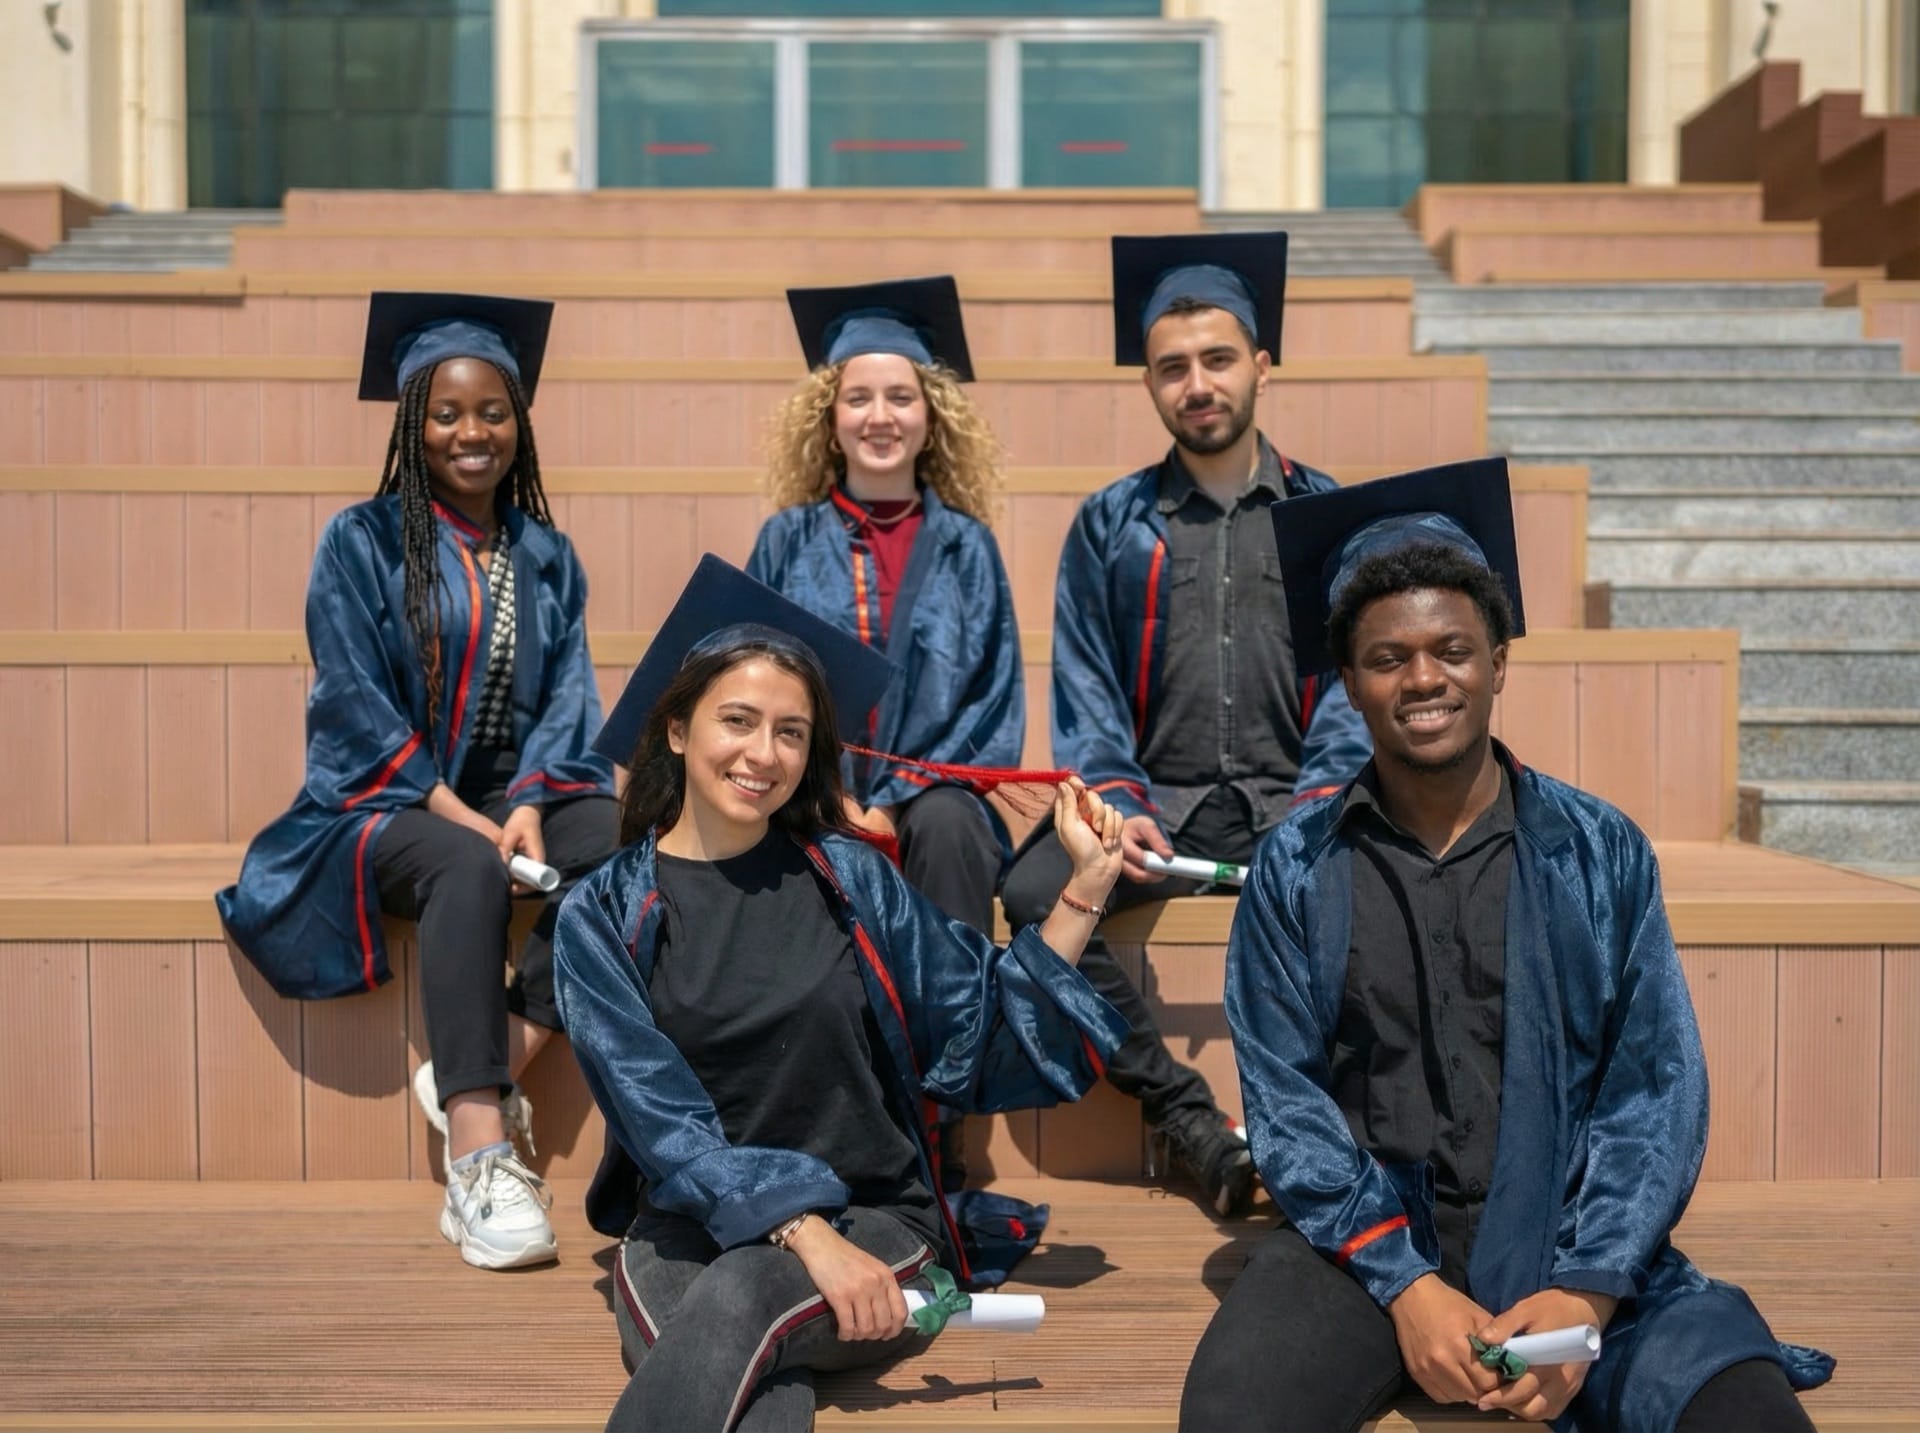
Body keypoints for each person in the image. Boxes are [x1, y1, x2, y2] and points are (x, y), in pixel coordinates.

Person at [1180, 459, 1833, 1431]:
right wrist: (1406, 1286)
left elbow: (1654, 1088)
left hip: (1577, 1238)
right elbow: (1287, 1101)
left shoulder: (1597, 849)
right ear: (1350, 685)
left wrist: (1589, 1289)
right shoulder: (1296, 869)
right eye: (1388, 656)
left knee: (1746, 1414)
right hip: (1365, 1250)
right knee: (1232, 1411)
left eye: (1452, 647)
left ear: (1498, 659)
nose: (1425, 677)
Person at [552, 555, 1130, 1433]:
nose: (764, 753)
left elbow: (982, 1032)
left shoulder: (854, 881)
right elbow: (659, 1116)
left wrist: (1083, 890)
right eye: (737, 720)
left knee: (742, 1302)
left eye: (791, 732)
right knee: (758, 1373)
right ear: (676, 728)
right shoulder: (602, 913)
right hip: (689, 1224)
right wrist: (801, 1234)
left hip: (872, 1220)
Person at [216, 292, 618, 1270]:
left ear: (520, 422)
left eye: (493, 411)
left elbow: (567, 696)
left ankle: (495, 1050)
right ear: (411, 425)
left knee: (627, 843)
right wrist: (459, 815)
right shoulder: (358, 541)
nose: (471, 432)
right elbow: (351, 698)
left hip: (508, 802)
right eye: (445, 413)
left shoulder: (546, 553)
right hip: (380, 806)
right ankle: (479, 1154)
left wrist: (526, 800)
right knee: (466, 869)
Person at [999, 231, 1371, 1216]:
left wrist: (1321, 800)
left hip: (1302, 802)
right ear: (1151, 385)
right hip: (1157, 808)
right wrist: (1117, 804)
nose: (1196, 384)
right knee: (1034, 890)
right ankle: (1190, 1119)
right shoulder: (1110, 523)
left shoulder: (1326, 512)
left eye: (1216, 359)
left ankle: (1324, 1135)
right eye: (1172, 368)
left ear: (1261, 363)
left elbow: (1357, 680)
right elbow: (1085, 683)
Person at [749, 275, 1023, 1189]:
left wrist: (897, 802)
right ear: (829, 418)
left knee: (948, 826)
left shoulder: (969, 548)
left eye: (900, 396)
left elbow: (992, 706)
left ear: (930, 414)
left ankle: (937, 1119)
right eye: (858, 397)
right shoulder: (785, 541)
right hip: (804, 786)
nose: (879, 415)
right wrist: (830, 795)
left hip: (936, 797)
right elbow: (750, 683)